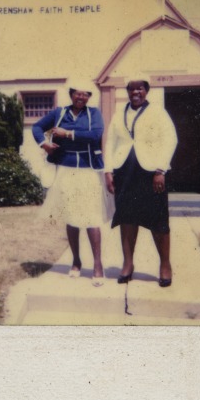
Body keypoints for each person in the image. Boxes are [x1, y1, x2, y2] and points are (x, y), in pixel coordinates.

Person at [32, 80, 107, 287]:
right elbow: (38, 127)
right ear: (71, 94)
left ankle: (98, 265)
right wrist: (44, 143)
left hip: (88, 169)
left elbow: (95, 135)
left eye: (85, 94)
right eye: (77, 94)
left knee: (92, 217)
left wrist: (67, 134)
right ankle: (76, 261)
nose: (80, 97)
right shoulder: (59, 112)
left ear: (89, 97)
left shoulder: (94, 114)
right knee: (71, 216)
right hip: (65, 169)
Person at [105, 78, 178, 286]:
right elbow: (111, 141)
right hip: (124, 171)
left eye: (140, 88)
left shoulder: (158, 112)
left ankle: (165, 265)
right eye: (131, 88)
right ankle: (128, 265)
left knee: (158, 219)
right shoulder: (120, 113)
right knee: (126, 218)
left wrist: (160, 170)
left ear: (146, 91)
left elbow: (170, 139)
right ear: (127, 91)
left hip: (151, 172)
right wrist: (108, 170)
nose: (135, 91)